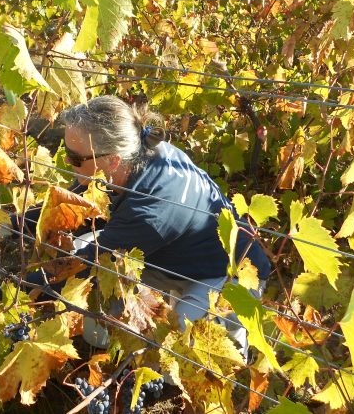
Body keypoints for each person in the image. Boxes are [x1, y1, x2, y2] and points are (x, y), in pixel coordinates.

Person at [23, 95, 271, 355]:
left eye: (75, 159)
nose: (68, 164)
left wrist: (6, 289)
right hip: (180, 257)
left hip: (227, 277)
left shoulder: (149, 212)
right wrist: (13, 224)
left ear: (112, 161)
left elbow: (83, 267)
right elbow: (76, 200)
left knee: (178, 356)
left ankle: (226, 347)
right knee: (86, 249)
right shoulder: (145, 149)